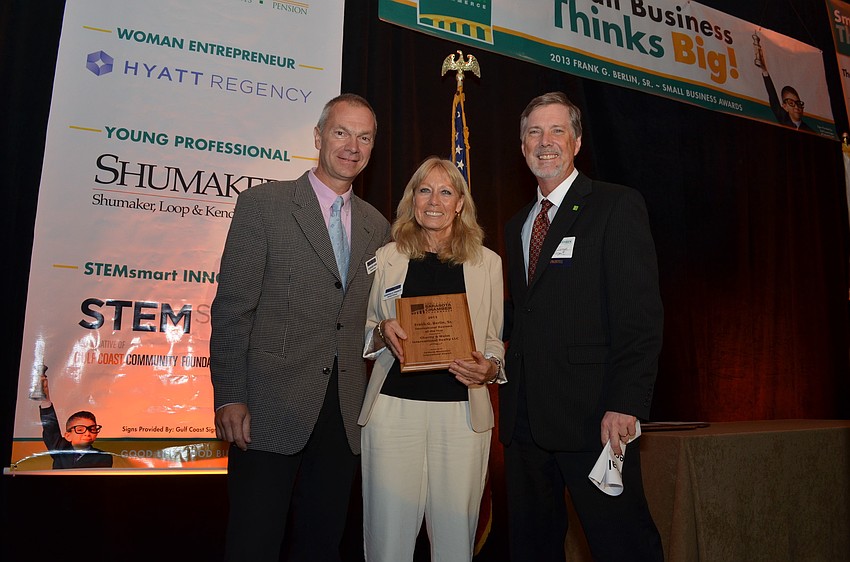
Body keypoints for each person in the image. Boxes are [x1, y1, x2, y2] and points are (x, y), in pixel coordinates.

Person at [210, 93, 391, 562]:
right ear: (318, 136)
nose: (352, 145)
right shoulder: (262, 206)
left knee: (321, 545)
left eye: (364, 137)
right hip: (267, 410)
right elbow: (233, 309)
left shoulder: (378, 226)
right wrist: (231, 394)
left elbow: (374, 317)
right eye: (341, 132)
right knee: (253, 543)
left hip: (343, 417)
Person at [500, 92, 664, 561]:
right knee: (533, 550)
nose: (544, 142)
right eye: (534, 132)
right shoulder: (517, 225)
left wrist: (625, 402)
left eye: (556, 131)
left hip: (594, 418)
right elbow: (526, 314)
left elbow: (640, 315)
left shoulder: (615, 205)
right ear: (522, 146)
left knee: (623, 545)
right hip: (525, 423)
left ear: (576, 142)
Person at [358, 157, 504, 561]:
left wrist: (490, 367)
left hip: (462, 414)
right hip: (392, 410)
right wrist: (382, 332)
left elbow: (494, 341)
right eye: (425, 190)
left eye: (445, 191)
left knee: (456, 541)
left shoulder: (487, 263)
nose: (434, 201)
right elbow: (364, 330)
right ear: (413, 199)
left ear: (460, 203)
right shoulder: (387, 257)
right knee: (387, 539)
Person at [36, 366, 113, 469]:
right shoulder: (60, 450)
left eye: (92, 429)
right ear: (68, 436)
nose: (87, 433)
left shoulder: (103, 457)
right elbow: (51, 428)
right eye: (80, 430)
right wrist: (45, 400)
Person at [755, 37, 813, 132]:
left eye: (798, 103)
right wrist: (764, 70)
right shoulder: (783, 119)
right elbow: (772, 96)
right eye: (791, 103)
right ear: (785, 107)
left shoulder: (810, 131)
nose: (796, 107)